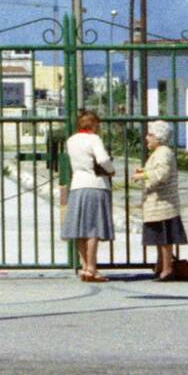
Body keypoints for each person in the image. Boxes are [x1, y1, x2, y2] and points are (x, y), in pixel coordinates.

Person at [61, 109, 116, 281]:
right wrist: (111, 171)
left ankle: (84, 265)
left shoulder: (71, 140)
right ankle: (92, 268)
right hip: (95, 184)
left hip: (78, 185)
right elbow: (103, 160)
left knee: (80, 229)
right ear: (93, 124)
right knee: (94, 229)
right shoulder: (94, 139)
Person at [132, 119, 188, 280]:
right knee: (160, 238)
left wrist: (141, 175)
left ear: (159, 137)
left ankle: (167, 268)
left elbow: (162, 173)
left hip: (163, 203)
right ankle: (161, 265)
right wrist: (145, 170)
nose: (147, 138)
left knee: (164, 239)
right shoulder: (159, 153)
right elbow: (157, 169)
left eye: (150, 135)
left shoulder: (163, 152)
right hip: (157, 202)